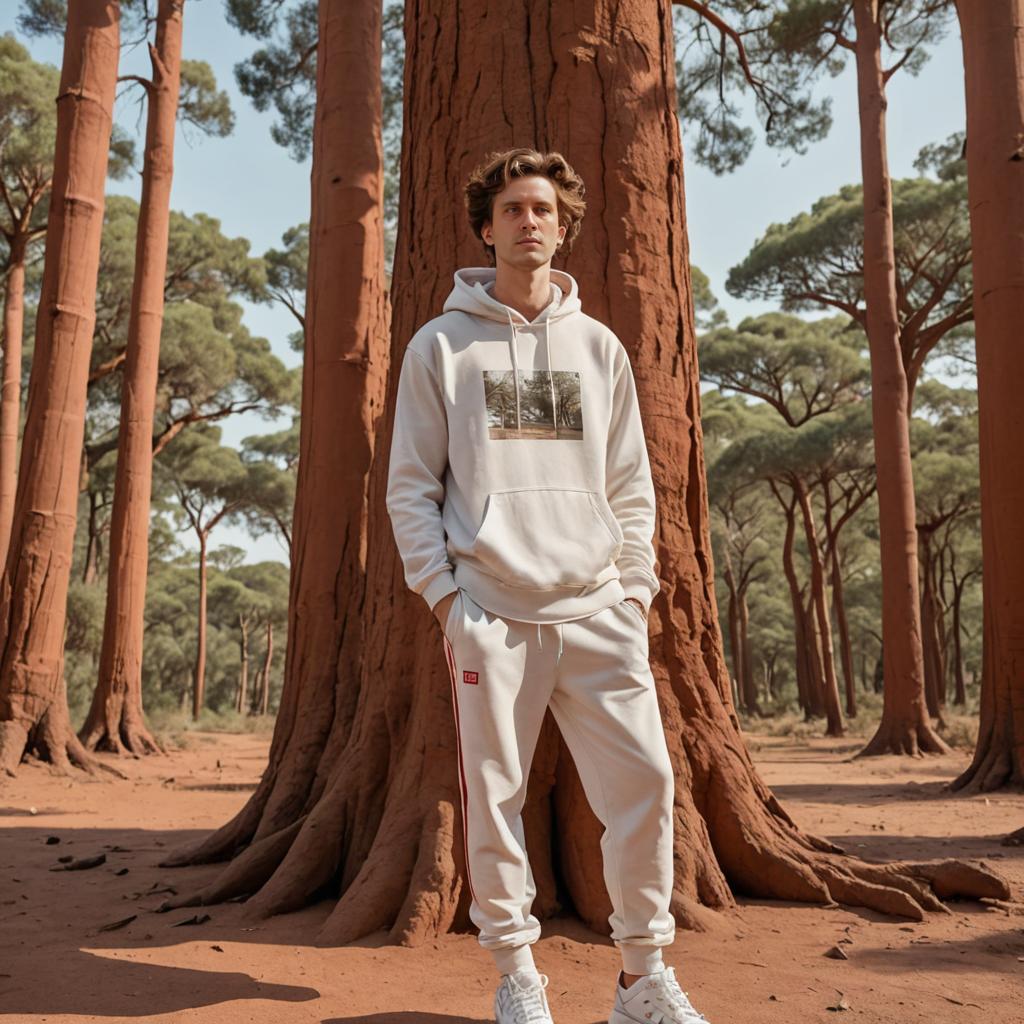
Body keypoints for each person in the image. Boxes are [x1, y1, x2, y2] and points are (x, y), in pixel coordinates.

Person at [386, 147, 710, 1024]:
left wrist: (634, 589)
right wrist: (450, 602)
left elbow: (631, 484)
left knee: (646, 786)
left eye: (544, 210)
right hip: (491, 612)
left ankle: (643, 980)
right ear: (486, 228)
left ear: (564, 228)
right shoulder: (440, 346)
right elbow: (409, 486)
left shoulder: (598, 347)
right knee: (493, 801)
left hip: (599, 607)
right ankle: (518, 977)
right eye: (513, 210)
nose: (530, 222)